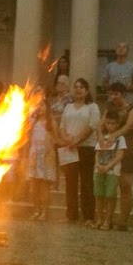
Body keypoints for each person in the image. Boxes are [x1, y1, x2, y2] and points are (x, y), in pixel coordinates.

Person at [58, 78, 100, 226]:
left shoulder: (92, 107)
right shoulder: (68, 107)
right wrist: (67, 139)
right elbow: (62, 126)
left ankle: (88, 216)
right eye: (76, 87)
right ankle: (71, 215)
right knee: (70, 182)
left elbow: (92, 126)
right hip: (70, 148)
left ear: (87, 90)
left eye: (81, 87)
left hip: (86, 147)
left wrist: (77, 140)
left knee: (86, 182)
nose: (78, 89)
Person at [104, 82, 133, 231]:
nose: (113, 97)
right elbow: (101, 125)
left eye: (116, 94)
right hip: (110, 152)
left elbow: (130, 126)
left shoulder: (132, 109)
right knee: (111, 186)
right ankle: (107, 219)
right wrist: (101, 137)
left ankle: (123, 221)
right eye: (110, 94)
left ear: (122, 94)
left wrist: (114, 135)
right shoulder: (109, 109)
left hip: (129, 151)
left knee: (125, 185)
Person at [93, 109, 127, 230]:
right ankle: (99, 219)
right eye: (108, 123)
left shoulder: (120, 139)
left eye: (112, 123)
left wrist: (108, 166)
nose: (110, 126)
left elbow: (120, 155)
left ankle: (108, 220)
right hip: (99, 169)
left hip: (112, 171)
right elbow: (97, 153)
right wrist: (97, 164)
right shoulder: (103, 138)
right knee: (99, 195)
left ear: (117, 124)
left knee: (110, 196)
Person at [26, 100, 57, 221]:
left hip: (46, 156)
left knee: (44, 186)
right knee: (34, 186)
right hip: (34, 154)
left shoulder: (50, 122)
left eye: (42, 105)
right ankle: (36, 211)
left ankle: (44, 212)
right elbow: (28, 139)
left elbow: (55, 137)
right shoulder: (33, 122)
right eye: (37, 105)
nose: (39, 108)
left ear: (47, 107)